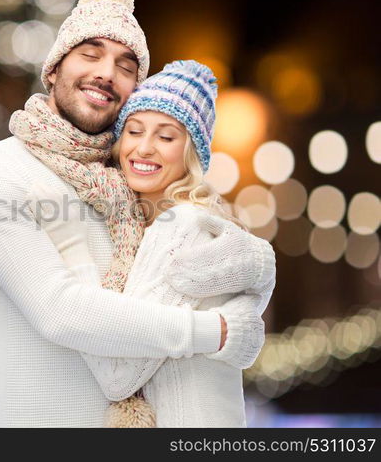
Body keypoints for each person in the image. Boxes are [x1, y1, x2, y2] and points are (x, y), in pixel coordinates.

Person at [0, 0, 275, 427]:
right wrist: (220, 332)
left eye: (126, 65)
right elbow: (61, 311)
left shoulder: (130, 182)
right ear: (55, 67)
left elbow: (190, 268)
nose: (106, 72)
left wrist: (254, 272)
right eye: (90, 54)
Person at [18, 60, 275, 427]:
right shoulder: (164, 223)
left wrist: (70, 242)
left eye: (166, 137)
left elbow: (118, 374)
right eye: (135, 131)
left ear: (191, 153)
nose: (144, 149)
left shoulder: (181, 225)